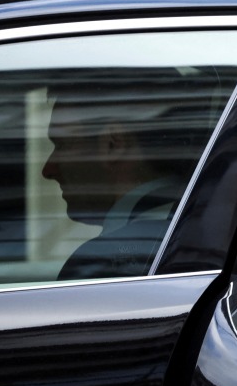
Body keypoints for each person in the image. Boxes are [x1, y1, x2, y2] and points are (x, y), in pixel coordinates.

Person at [42, 74, 216, 280]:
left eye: (63, 145)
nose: (48, 169)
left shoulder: (98, 265)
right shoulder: (208, 236)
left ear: (113, 144)